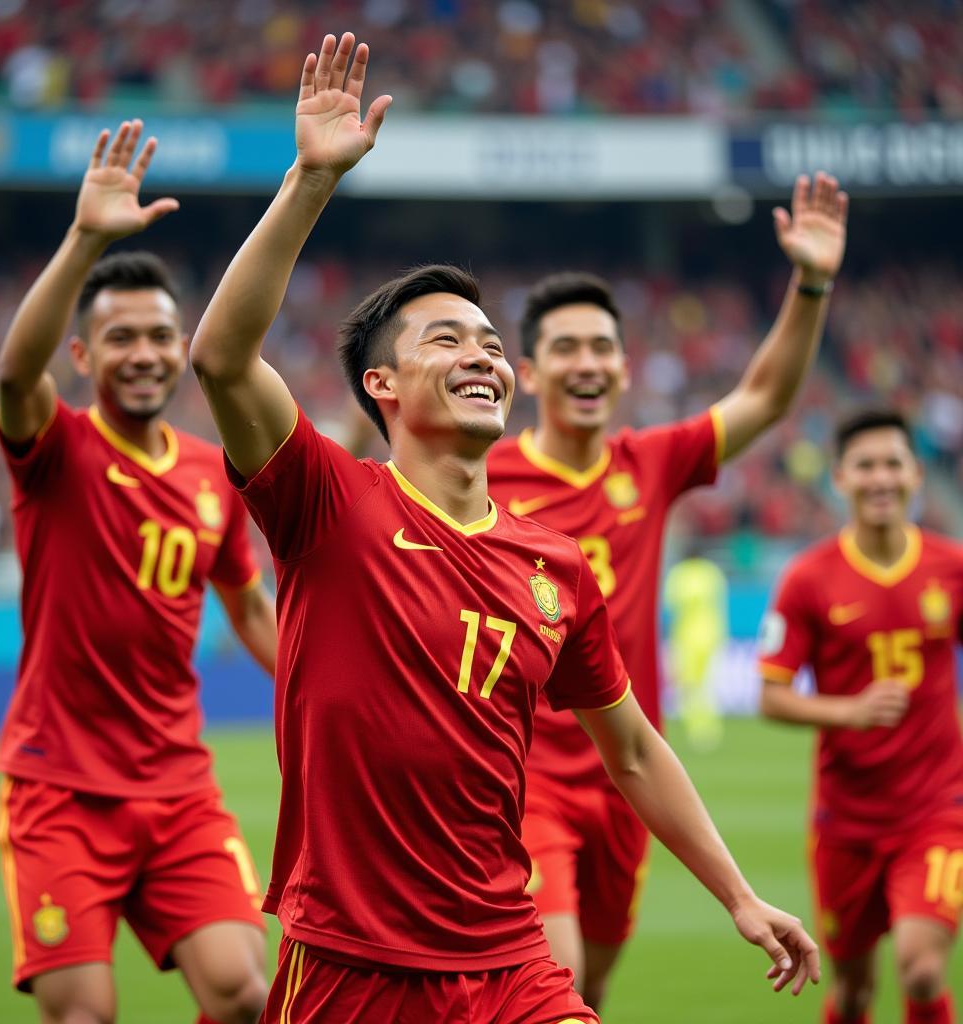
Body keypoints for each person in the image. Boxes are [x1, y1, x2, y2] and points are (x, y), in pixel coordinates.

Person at [190, 31, 820, 1023]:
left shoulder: (556, 566)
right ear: (380, 385)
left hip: (503, 955)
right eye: (446, 338)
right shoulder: (327, 503)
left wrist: (739, 895)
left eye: (490, 342)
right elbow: (222, 358)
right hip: (350, 959)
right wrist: (311, 181)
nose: (481, 354)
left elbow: (635, 751)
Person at [484, 175, 848, 1004]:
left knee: (593, 984)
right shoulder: (483, 473)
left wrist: (812, 282)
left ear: (622, 365)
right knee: (556, 973)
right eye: (568, 348)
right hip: (522, 771)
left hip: (629, 774)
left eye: (602, 347)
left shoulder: (649, 462)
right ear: (532, 373)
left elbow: (765, 396)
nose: (589, 363)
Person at [0, 120, 276, 1024]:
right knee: (86, 1015)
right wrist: (86, 240)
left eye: (160, 334)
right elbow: (11, 376)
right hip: (58, 786)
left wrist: (332, 681)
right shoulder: (57, 450)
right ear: (83, 357)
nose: (145, 352)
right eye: (120, 338)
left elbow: (252, 608)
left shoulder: (210, 471)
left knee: (245, 996)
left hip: (178, 784)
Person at [758, 409, 963, 1024]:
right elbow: (771, 695)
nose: (881, 478)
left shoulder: (951, 568)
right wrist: (849, 711)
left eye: (893, 464)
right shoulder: (807, 579)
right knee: (851, 992)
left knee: (922, 968)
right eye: (866, 466)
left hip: (936, 810)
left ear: (916, 474)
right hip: (845, 822)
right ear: (840, 477)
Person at [663, 548, 728, 751]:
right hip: (711, 635)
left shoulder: (679, 574)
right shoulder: (712, 572)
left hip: (687, 638)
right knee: (703, 684)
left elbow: (670, 604)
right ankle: (709, 728)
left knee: (689, 685)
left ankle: (699, 730)